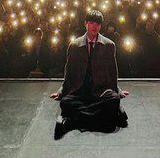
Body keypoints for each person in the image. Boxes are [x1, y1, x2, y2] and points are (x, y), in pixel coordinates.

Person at [50, 10, 129, 140]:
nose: (94, 26)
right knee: (65, 102)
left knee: (114, 100)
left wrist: (117, 90)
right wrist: (61, 92)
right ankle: (101, 119)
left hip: (101, 90)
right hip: (80, 90)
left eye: (97, 23)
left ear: (101, 26)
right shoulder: (74, 45)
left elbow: (112, 72)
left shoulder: (109, 45)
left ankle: (75, 121)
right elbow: (68, 72)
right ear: (85, 24)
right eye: (91, 22)